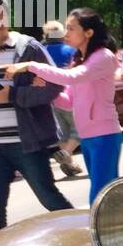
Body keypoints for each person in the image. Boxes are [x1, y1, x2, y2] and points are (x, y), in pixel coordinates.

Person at [5, 8, 123, 204]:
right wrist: (47, 91)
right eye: (65, 28)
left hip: (105, 136)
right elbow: (68, 102)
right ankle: (118, 228)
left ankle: (101, 231)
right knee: (106, 195)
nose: (65, 33)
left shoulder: (104, 56)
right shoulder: (79, 60)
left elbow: (73, 77)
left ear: (89, 32)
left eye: (71, 28)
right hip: (88, 137)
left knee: (100, 195)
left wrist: (31, 66)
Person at [0, 0, 74, 234]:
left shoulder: (27, 47)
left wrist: (15, 94)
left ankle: (85, 239)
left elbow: (54, 84)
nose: (0, 21)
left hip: (26, 143)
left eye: (2, 15)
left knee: (49, 198)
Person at [41, 19, 84, 178]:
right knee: (80, 129)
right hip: (69, 95)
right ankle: (66, 154)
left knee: (63, 133)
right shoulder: (71, 50)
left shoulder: (41, 50)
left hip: (48, 98)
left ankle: (69, 164)